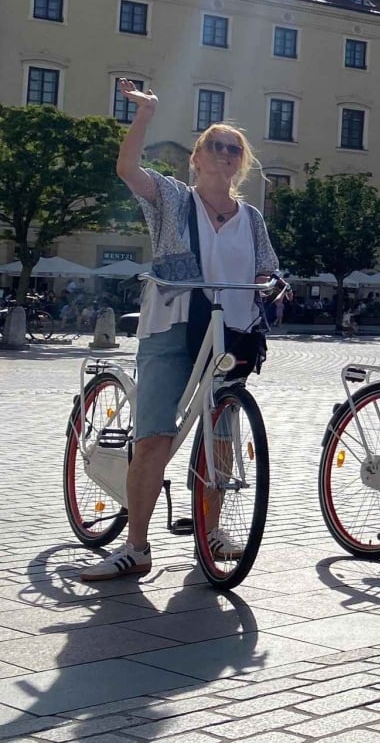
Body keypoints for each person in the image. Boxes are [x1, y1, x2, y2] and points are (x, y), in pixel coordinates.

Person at [82, 80, 279, 581]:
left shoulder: (251, 217)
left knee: (220, 437)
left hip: (228, 333)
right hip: (172, 325)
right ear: (197, 157)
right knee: (154, 438)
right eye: (216, 146)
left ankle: (211, 532)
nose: (225, 155)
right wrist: (145, 113)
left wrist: (274, 284)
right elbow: (127, 170)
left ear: (242, 163)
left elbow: (266, 268)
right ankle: (136, 545)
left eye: (234, 149)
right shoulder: (173, 197)